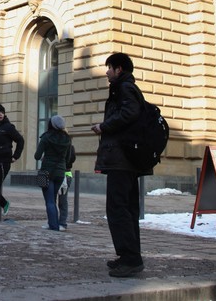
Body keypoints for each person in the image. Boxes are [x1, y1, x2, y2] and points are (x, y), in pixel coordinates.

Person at [91, 52, 148, 277]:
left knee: (118, 208)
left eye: (109, 68)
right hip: (126, 159)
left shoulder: (125, 88)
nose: (107, 72)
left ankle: (131, 259)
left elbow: (129, 113)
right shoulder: (127, 88)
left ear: (119, 70)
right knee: (127, 208)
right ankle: (129, 256)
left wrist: (104, 126)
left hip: (121, 160)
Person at [34, 115, 74, 231]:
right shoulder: (67, 139)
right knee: (54, 198)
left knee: (50, 200)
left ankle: (54, 226)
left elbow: (37, 156)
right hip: (60, 173)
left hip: (47, 171)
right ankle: (54, 223)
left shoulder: (46, 137)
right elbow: (67, 159)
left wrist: (45, 157)